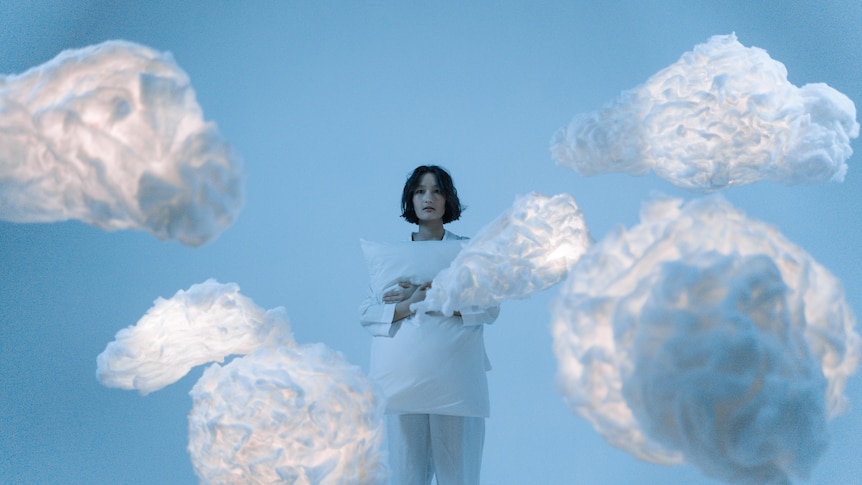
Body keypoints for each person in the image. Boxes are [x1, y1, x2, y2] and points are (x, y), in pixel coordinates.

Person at [359, 165, 499, 485]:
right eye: (420, 191)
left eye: (437, 190)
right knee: (407, 476)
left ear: (448, 199)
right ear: (411, 199)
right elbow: (367, 313)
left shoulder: (469, 253)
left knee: (458, 476)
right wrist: (409, 304)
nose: (428, 198)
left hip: (456, 381)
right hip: (404, 382)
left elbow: (489, 307)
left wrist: (429, 293)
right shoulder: (392, 258)